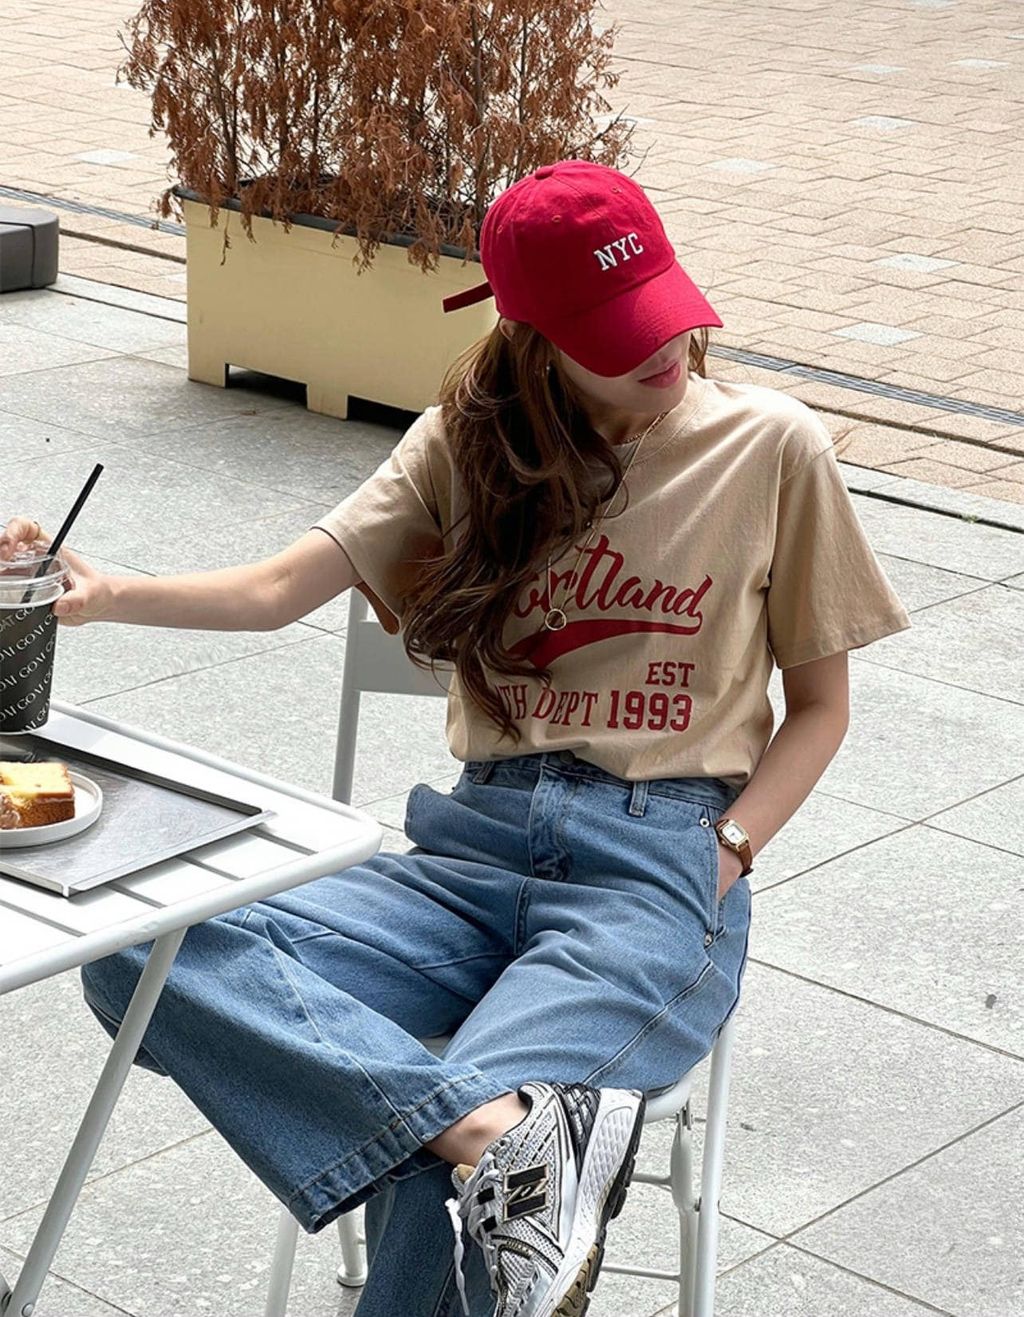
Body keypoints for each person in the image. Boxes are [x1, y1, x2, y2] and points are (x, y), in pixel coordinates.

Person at [0, 158, 912, 1317]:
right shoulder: (463, 445)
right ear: (534, 335)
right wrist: (105, 592)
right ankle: (491, 1137)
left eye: (662, 306)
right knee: (142, 956)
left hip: (652, 867)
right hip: (466, 855)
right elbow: (279, 589)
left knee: (453, 1171)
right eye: (615, 329)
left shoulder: (771, 447)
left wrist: (726, 852)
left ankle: (486, 1142)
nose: (663, 348)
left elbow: (821, 705)